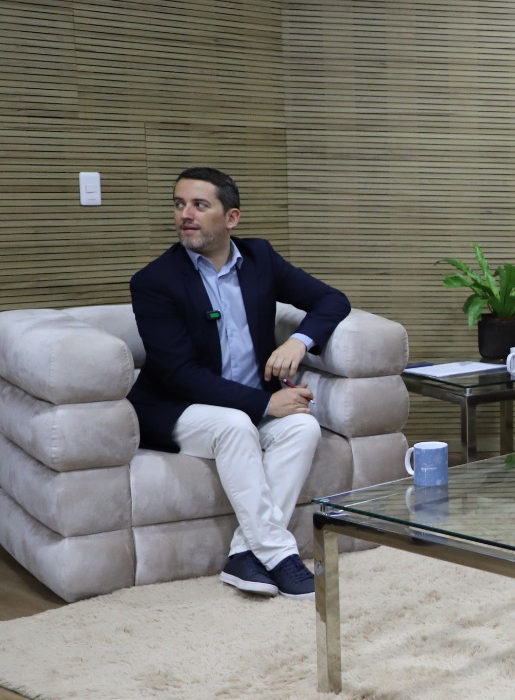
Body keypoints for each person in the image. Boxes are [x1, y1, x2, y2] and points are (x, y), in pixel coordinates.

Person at [128, 167, 350, 600]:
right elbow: (179, 374)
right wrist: (265, 405)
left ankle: (244, 555)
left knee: (303, 426)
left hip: (247, 403)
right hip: (177, 408)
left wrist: (300, 342)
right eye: (179, 204)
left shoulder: (260, 258)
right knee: (234, 425)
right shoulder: (154, 281)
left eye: (199, 205)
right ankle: (279, 554)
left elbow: (331, 299)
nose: (185, 215)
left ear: (231, 218)